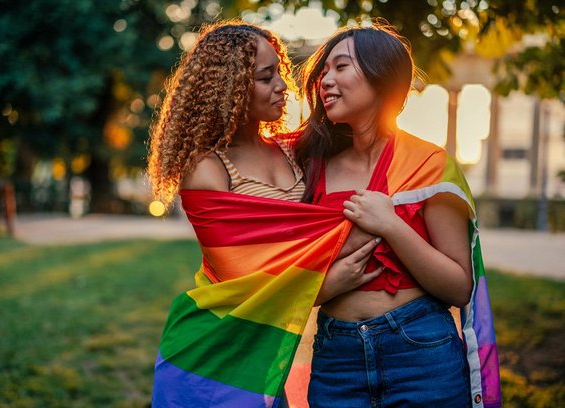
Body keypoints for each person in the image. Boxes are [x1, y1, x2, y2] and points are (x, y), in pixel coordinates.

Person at [147, 20, 380, 407]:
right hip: (212, 352)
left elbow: (366, 142)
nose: (283, 87)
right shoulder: (207, 169)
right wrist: (326, 284)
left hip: (264, 354)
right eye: (266, 77)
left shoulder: (296, 151)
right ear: (230, 88)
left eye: (280, 73)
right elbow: (245, 277)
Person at [295, 21, 501, 408]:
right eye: (323, 71)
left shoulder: (428, 165)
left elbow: (459, 288)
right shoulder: (312, 165)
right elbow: (288, 273)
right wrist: (329, 284)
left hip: (420, 352)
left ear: (381, 76)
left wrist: (391, 225)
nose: (325, 80)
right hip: (335, 359)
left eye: (340, 67)